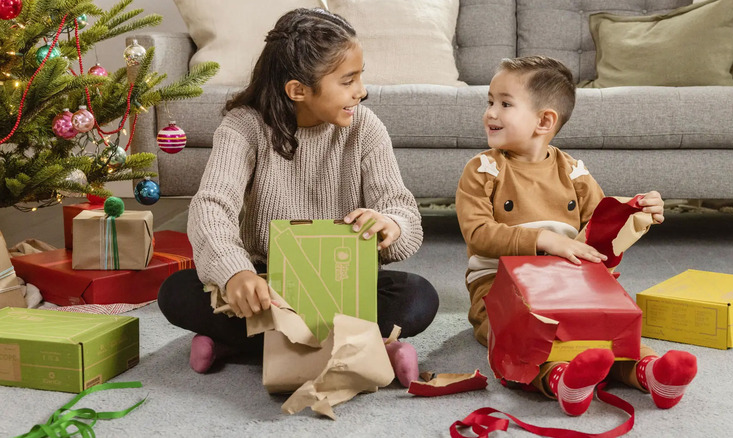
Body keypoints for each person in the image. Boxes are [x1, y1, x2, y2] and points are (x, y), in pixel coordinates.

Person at [157, 8, 438, 387]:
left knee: (418, 296)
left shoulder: (365, 127)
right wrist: (236, 273)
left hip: (341, 285)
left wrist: (391, 225)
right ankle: (367, 348)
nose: (361, 91)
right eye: (348, 80)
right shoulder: (243, 127)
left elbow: (400, 208)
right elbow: (211, 207)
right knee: (175, 292)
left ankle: (238, 347)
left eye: (360, 76)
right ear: (298, 90)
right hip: (267, 286)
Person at [455, 56, 696, 415]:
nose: (490, 112)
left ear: (545, 121)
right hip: (498, 283)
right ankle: (559, 380)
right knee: (519, 334)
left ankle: (651, 372)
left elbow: (599, 237)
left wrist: (637, 214)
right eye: (490, 101)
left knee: (608, 327)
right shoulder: (483, 169)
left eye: (504, 103)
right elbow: (478, 234)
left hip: (569, 281)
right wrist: (544, 240)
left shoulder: (574, 172)